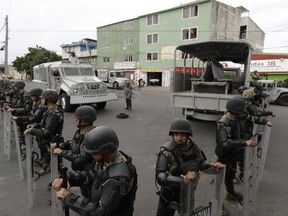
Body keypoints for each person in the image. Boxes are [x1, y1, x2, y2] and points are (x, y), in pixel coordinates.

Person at [52, 126, 138, 216]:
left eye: (94, 153)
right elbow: (91, 175)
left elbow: (100, 212)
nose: (91, 155)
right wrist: (69, 178)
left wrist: (69, 198)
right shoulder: (105, 160)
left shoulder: (118, 177)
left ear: (105, 150)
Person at [155, 118, 225, 216]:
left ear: (188, 136)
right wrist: (183, 179)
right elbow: (160, 177)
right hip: (170, 195)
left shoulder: (194, 148)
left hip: (188, 193)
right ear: (172, 135)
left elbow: (201, 163)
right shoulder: (166, 152)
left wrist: (213, 166)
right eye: (176, 135)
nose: (179, 138)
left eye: (183, 135)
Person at [215, 96, 257, 201]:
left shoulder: (235, 118)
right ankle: (224, 197)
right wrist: (244, 142)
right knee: (226, 177)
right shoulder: (223, 123)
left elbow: (248, 119)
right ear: (237, 110)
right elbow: (225, 143)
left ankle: (229, 192)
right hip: (225, 155)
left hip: (233, 153)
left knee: (231, 173)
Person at [51, 105, 96, 198]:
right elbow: (72, 143)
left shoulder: (91, 137)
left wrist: (62, 152)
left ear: (86, 120)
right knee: (84, 190)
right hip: (81, 169)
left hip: (89, 170)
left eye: (78, 118)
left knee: (90, 193)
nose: (75, 120)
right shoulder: (80, 131)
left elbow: (81, 159)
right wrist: (60, 145)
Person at [24, 89, 64, 175]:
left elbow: (47, 133)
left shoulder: (53, 114)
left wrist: (32, 130)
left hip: (53, 142)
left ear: (47, 100)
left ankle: (61, 184)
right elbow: (45, 124)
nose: (41, 99)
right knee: (49, 158)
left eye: (43, 98)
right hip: (50, 142)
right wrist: (35, 125)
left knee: (57, 168)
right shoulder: (50, 110)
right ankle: (48, 168)